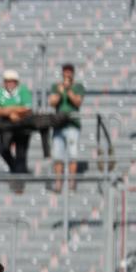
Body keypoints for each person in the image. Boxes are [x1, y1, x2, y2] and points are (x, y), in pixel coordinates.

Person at [48, 63, 85, 193]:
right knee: (58, 155)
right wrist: (60, 92)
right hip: (59, 125)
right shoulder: (56, 86)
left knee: (73, 154)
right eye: (65, 71)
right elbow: (52, 102)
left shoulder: (78, 87)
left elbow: (78, 102)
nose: (67, 74)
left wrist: (68, 91)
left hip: (72, 125)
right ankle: (58, 182)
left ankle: (71, 182)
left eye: (70, 71)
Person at [0, 69, 33, 176]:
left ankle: (20, 177)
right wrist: (12, 112)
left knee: (21, 153)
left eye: (12, 81)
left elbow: (27, 108)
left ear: (17, 82)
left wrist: (8, 110)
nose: (10, 83)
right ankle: (16, 170)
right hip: (6, 126)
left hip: (22, 126)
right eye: (7, 81)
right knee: (3, 149)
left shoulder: (23, 90)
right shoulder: (0, 92)